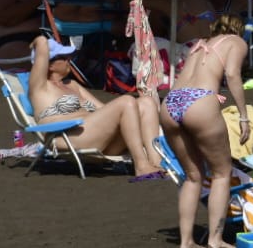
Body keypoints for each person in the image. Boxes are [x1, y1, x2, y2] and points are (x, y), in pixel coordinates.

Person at [161, 14, 249, 248]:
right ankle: (215, 239)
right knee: (222, 172)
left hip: (171, 102)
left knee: (193, 176)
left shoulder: (200, 44)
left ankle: (186, 241)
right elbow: (232, 75)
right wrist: (243, 115)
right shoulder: (237, 42)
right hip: (199, 101)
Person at [23, 34, 164, 178]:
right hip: (67, 137)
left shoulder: (72, 85)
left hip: (99, 137)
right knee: (126, 101)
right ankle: (141, 165)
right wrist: (40, 41)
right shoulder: (39, 88)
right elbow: (41, 51)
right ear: (50, 65)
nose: (69, 60)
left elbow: (104, 110)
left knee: (146, 102)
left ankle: (156, 162)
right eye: (64, 57)